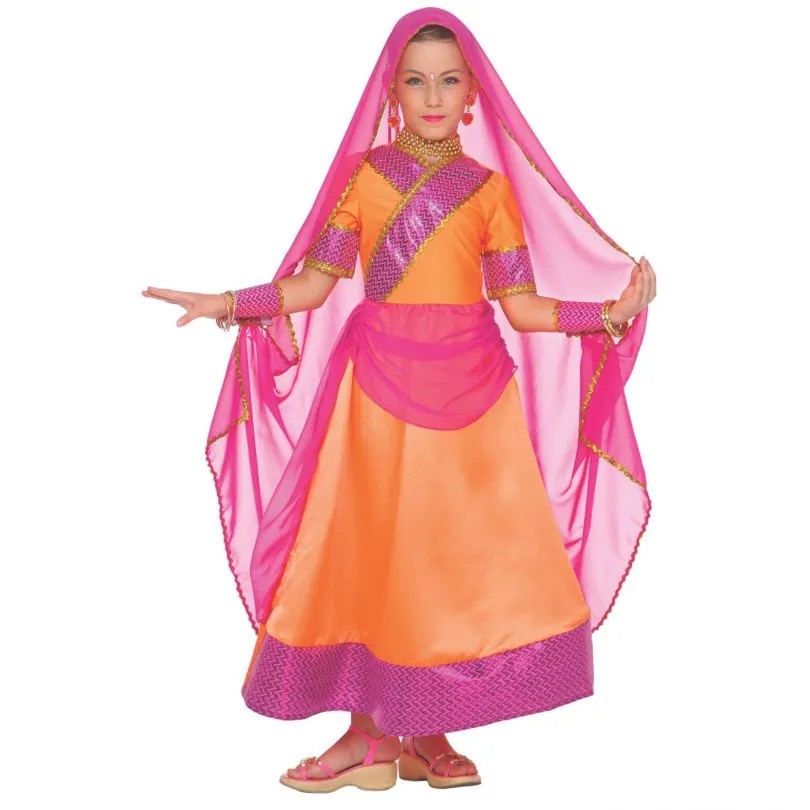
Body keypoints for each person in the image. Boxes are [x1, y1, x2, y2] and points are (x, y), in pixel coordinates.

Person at [143, 7, 656, 794]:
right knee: (379, 547)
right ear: (393, 92)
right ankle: (368, 734)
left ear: (473, 95)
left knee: (450, 555)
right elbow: (313, 286)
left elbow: (521, 307)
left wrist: (608, 313)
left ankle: (426, 725)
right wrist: (228, 302)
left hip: (473, 392)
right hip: (378, 391)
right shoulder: (364, 179)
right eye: (416, 82)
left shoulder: (489, 193)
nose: (434, 97)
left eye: (449, 82)